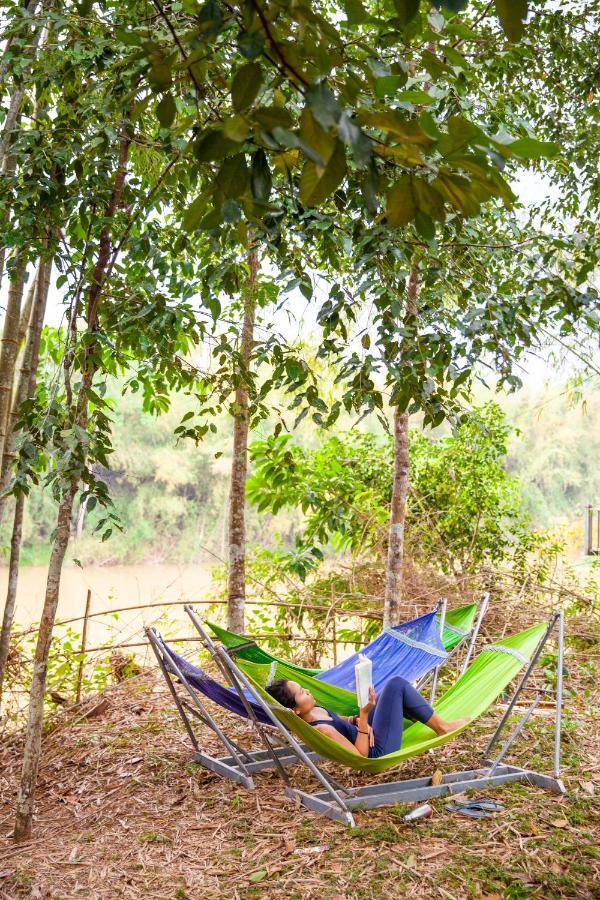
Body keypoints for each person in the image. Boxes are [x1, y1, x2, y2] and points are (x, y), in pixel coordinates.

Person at [266, 676, 471, 759]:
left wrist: (355, 720)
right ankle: (442, 727)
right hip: (376, 750)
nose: (308, 692)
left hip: (366, 731)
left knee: (387, 693)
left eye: (304, 689)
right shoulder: (322, 730)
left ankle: (421, 717)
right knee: (396, 685)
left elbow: (341, 721)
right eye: (302, 693)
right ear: (296, 711)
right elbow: (360, 755)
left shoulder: (315, 710)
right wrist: (364, 717)